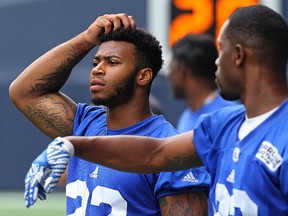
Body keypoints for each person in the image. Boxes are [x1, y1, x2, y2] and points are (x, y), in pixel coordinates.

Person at [18, 4, 288, 215]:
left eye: (221, 51)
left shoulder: (281, 132)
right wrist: (71, 145)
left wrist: (74, 144)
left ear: (239, 55)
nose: (215, 62)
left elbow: (157, 151)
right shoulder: (221, 125)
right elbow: (154, 154)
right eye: (95, 62)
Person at [9, 14, 210, 215]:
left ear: (143, 76)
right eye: (96, 62)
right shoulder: (86, 124)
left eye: (112, 62)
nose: (97, 69)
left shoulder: (170, 148)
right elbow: (24, 92)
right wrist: (87, 39)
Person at [168, 33, 236, 133]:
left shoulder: (229, 114)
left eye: (170, 68)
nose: (168, 75)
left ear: (182, 69)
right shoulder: (185, 117)